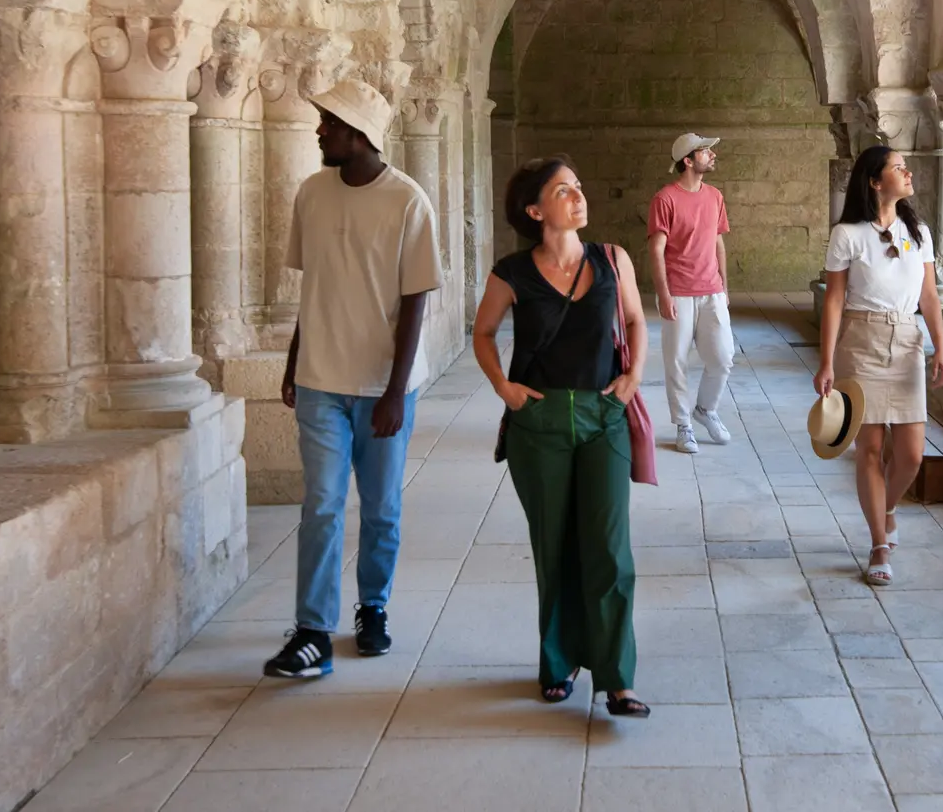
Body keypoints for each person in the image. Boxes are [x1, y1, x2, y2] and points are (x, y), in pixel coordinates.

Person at [264, 79, 441, 679]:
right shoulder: (311, 194)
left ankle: (373, 608)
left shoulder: (408, 201)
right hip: (319, 379)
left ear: (359, 134)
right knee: (321, 504)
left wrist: (395, 389)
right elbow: (313, 286)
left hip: (382, 388)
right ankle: (313, 630)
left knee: (383, 509)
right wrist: (293, 362)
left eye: (329, 124)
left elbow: (416, 301)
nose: (319, 131)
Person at [472, 154, 652, 718]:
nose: (577, 197)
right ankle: (558, 662)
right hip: (540, 422)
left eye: (577, 186)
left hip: (603, 416)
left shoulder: (612, 259)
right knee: (555, 549)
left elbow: (637, 321)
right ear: (534, 210)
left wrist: (633, 376)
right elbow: (483, 332)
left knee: (609, 549)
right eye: (562, 191)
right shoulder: (512, 272)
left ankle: (617, 678)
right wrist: (504, 387)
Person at [813, 144, 943, 587]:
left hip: (907, 341)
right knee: (868, 450)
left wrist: (940, 349)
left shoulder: (919, 231)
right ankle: (877, 543)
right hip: (861, 341)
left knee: (911, 454)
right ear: (875, 181)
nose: (907, 173)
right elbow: (834, 299)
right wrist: (826, 360)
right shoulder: (847, 234)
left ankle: (887, 508)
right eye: (898, 168)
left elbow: (928, 297)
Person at [647, 133, 735, 455]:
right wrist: (663, 294)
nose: (712, 155)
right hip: (679, 292)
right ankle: (684, 425)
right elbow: (656, 251)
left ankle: (705, 409)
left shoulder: (714, 196)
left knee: (723, 358)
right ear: (688, 160)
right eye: (705, 151)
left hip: (711, 291)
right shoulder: (665, 199)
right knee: (677, 363)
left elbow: (718, 243)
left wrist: (724, 288)